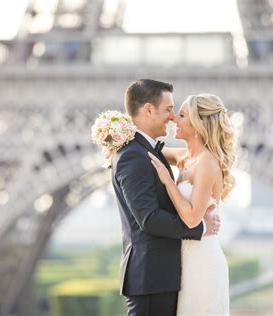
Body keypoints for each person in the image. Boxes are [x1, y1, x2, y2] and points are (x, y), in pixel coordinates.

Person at [111, 79, 220, 316]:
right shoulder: (135, 156)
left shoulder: (146, 151)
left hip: (163, 274)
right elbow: (148, 218)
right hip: (152, 276)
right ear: (148, 110)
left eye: (177, 112)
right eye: (169, 110)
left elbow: (195, 157)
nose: (172, 117)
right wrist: (199, 229)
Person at [149, 93, 235, 315]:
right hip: (185, 261)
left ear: (197, 124)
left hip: (203, 264)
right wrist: (116, 136)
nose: (174, 119)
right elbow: (147, 150)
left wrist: (168, 181)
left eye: (182, 115)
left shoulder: (207, 162)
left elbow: (191, 218)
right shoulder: (186, 158)